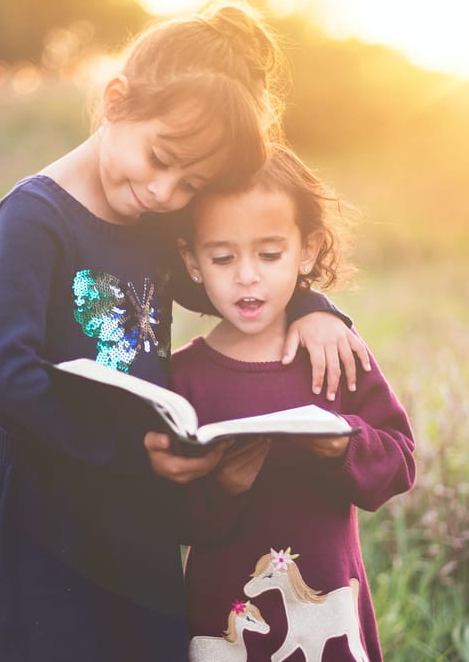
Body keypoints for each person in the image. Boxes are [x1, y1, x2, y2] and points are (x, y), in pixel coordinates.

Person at [0, 2, 370, 662]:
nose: (163, 192)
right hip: (47, 501)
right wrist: (132, 453)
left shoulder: (154, 225)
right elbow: (6, 380)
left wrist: (313, 307)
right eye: (160, 159)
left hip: (139, 498)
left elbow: (232, 290)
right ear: (116, 101)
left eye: (191, 184)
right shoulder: (33, 220)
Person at [171, 143, 416, 662]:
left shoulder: (333, 352)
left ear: (307, 250)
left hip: (326, 600)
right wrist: (222, 488)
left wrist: (344, 444)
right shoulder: (182, 377)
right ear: (192, 260)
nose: (246, 275)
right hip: (223, 611)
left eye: (269, 254)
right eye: (221, 257)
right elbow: (165, 515)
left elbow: (399, 461)